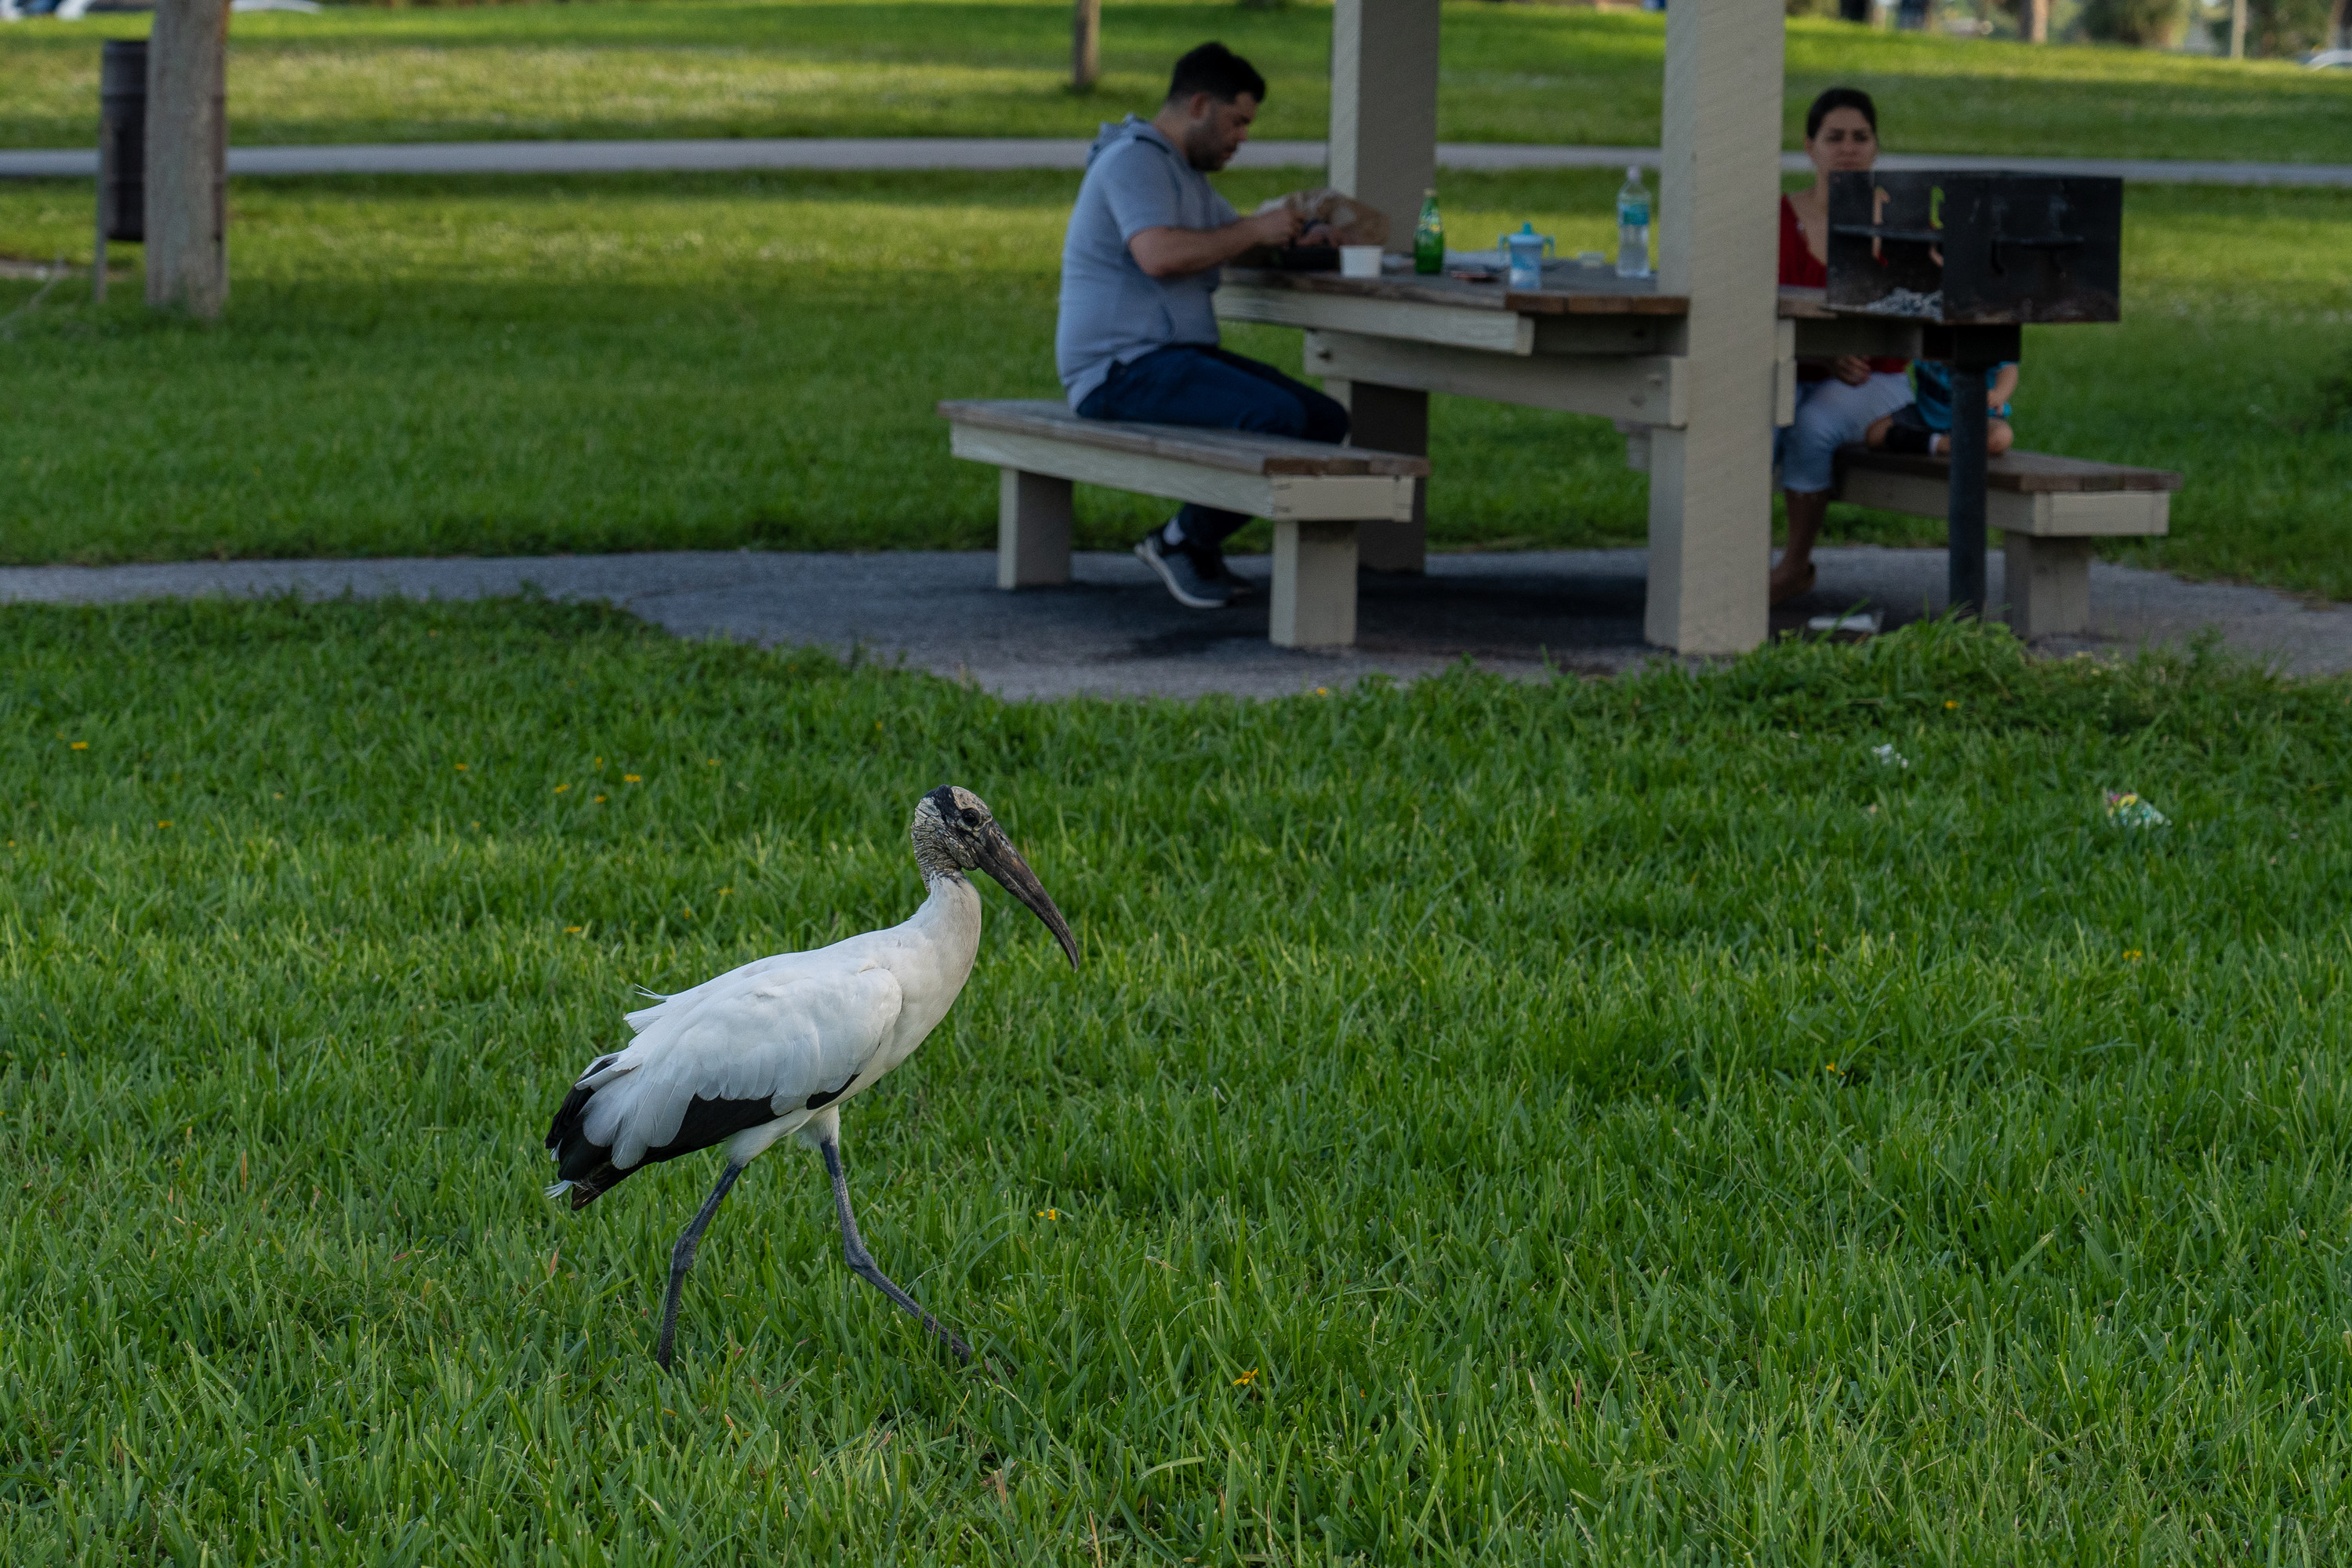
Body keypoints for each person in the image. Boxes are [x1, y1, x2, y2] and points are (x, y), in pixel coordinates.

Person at [1056, 42, 1350, 610]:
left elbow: (1232, 243)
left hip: (1170, 358)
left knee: (1324, 419)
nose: (1243, 138)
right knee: (1277, 418)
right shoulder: (1133, 162)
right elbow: (1160, 255)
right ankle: (1179, 542)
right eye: (1237, 122)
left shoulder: (1184, 175)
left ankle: (1195, 543)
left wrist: (1299, 239)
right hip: (1118, 369)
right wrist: (1254, 230)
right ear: (1198, 106)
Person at [1770, 86, 1912, 608]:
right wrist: (1820, 355)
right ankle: (1729, 563)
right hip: (1791, 367)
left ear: (1876, 147)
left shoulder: (1899, 220)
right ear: (1810, 146)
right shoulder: (1779, 217)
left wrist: (1845, 356)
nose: (1848, 148)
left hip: (1875, 377)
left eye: (1861, 137)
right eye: (1834, 137)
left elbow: (1917, 310)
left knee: (1814, 425)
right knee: (1753, 423)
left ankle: (1794, 566)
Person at [1867, 360, 2019, 458]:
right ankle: (1943, 443)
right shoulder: (1925, 326)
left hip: (1976, 418)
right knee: (1875, 434)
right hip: (1925, 414)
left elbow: (2008, 367)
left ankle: (1934, 443)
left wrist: (1999, 394)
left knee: (2001, 436)